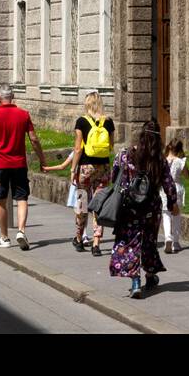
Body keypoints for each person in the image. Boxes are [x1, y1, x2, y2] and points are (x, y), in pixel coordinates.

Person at [109, 119, 178, 298]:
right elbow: (169, 184)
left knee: (131, 243)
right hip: (151, 208)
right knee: (148, 241)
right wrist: (172, 203)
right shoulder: (159, 160)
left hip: (129, 208)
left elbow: (113, 176)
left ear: (141, 135)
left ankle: (136, 282)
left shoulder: (125, 154)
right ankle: (150, 274)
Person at [0, 86, 46, 250]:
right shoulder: (23, 114)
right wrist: (42, 159)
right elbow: (33, 139)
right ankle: (21, 231)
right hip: (19, 163)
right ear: (13, 97)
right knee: (22, 198)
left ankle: (4, 237)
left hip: (0, 164)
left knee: (1, 199)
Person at [68, 90, 114, 254]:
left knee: (82, 203)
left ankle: (79, 239)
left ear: (87, 104)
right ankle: (96, 244)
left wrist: (73, 169)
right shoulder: (108, 122)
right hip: (103, 168)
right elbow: (111, 146)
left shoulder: (81, 121)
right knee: (99, 205)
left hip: (85, 168)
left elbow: (78, 148)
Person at [162, 137, 189, 254]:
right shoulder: (180, 161)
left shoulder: (163, 160)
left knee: (166, 214)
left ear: (168, 147)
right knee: (177, 215)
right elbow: (187, 176)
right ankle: (176, 242)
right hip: (177, 188)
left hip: (164, 190)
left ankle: (168, 236)